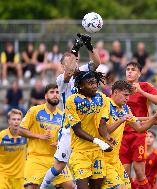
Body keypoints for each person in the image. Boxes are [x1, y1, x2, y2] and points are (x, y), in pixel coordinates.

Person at [40, 34, 110, 189]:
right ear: (63, 65)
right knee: (59, 165)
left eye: (77, 59)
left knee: (89, 167)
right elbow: (71, 71)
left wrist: (89, 45)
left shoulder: (84, 72)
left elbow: (97, 62)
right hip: (69, 127)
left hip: (88, 125)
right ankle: (43, 186)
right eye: (71, 60)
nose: (76, 61)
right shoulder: (62, 79)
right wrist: (76, 48)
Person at [102, 80, 157, 189]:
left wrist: (155, 117)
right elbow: (103, 130)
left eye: (129, 95)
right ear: (116, 92)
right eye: (125, 95)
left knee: (127, 186)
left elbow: (139, 128)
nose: (128, 98)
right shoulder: (105, 104)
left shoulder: (125, 109)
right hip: (102, 157)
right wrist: (121, 120)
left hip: (114, 159)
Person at [64, 70, 116, 189]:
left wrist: (107, 137)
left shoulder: (102, 98)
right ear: (81, 85)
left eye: (95, 82)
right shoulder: (72, 101)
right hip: (80, 152)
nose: (94, 86)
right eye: (90, 83)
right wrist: (99, 142)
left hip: (97, 152)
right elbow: (77, 129)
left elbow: (102, 124)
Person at [18, 84, 74, 189]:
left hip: (56, 159)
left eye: (57, 92)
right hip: (36, 158)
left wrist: (60, 143)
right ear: (45, 96)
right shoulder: (34, 110)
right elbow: (20, 130)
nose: (55, 95)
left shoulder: (63, 116)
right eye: (52, 92)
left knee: (70, 186)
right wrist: (40, 136)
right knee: (31, 187)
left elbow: (66, 137)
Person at [120, 61, 157, 189]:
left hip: (138, 133)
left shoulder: (145, 86)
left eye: (133, 69)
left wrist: (141, 92)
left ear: (139, 73)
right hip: (122, 135)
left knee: (139, 172)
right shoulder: (119, 88)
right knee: (124, 174)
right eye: (127, 69)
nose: (129, 71)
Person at [0, 109, 27, 189]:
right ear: (9, 121)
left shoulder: (25, 136)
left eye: (18, 119)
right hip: (4, 176)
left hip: (20, 177)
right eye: (14, 119)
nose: (16, 121)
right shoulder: (2, 136)